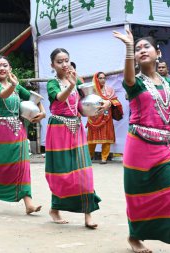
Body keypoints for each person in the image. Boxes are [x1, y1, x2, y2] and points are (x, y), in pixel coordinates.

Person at [113, 30, 170, 253]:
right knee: (138, 196)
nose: (142, 50)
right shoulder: (134, 83)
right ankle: (135, 238)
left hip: (166, 146)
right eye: (138, 48)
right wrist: (128, 48)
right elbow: (130, 78)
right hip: (139, 145)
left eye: (146, 47)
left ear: (158, 53)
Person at [45, 48, 104, 227]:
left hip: (76, 127)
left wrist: (96, 108)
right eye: (59, 61)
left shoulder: (78, 81)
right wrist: (71, 85)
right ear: (52, 65)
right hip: (58, 129)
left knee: (82, 170)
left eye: (66, 60)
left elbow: (81, 106)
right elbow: (60, 99)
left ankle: (88, 214)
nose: (64, 64)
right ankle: (55, 208)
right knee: (62, 172)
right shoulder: (52, 83)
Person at [0, 56, 45, 214]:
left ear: (10, 69)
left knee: (22, 165)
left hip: (18, 129)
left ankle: (28, 203)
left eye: (5, 65)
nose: (2, 68)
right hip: (0, 129)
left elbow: (35, 98)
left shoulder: (17, 87)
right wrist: (13, 84)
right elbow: (4, 95)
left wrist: (43, 112)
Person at [86, 72, 120, 164]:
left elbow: (115, 100)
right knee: (92, 139)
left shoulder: (109, 90)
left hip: (106, 116)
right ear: (96, 79)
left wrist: (109, 102)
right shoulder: (92, 90)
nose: (103, 80)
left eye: (104, 78)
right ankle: (89, 157)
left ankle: (104, 158)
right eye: (100, 78)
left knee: (106, 138)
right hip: (94, 116)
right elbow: (86, 101)